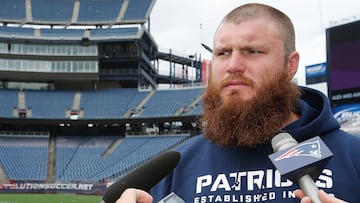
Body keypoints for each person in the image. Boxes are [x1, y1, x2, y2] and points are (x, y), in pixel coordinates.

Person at [115, 3, 360, 203]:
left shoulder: (353, 156)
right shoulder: (175, 167)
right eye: (222, 53)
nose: (233, 65)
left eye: (252, 51)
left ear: (290, 65)